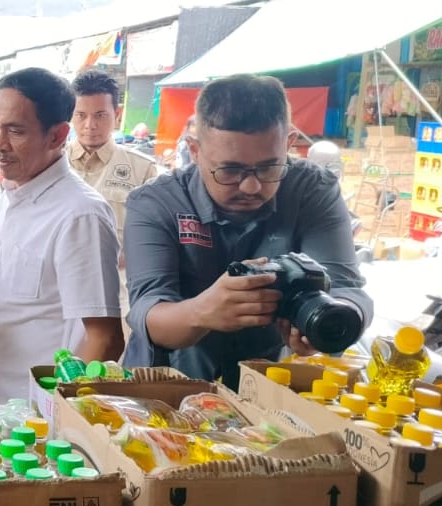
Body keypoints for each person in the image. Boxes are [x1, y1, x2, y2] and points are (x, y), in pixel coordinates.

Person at [124, 74, 373, 385]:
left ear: (290, 145)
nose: (251, 185)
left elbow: (348, 288)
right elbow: (149, 314)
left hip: (267, 386)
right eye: (230, 169)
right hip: (166, 385)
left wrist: (333, 315)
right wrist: (203, 311)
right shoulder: (156, 203)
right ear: (195, 150)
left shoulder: (312, 191)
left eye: (269, 167)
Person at [0, 68, 123, 402]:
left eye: (16, 131)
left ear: (56, 136)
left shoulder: (80, 214)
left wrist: (59, 414)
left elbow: (105, 339)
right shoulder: (13, 195)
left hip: (37, 427)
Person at [69, 69, 159, 324]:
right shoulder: (50, 165)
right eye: (81, 115)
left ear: (116, 114)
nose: (90, 125)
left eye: (100, 115)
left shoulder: (142, 170)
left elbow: (154, 238)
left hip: (116, 299)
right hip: (57, 298)